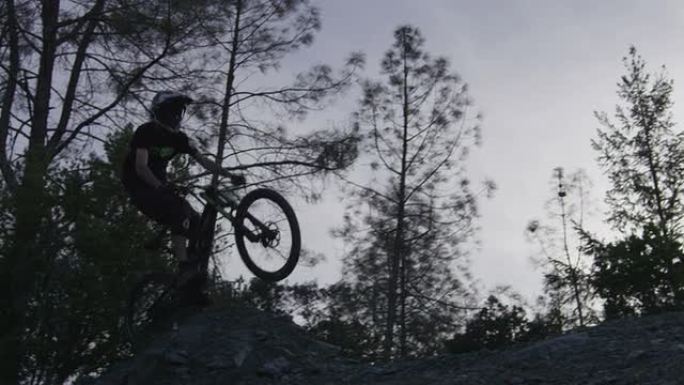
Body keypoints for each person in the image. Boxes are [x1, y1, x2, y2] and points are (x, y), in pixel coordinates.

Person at [121, 91, 244, 299]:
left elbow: (204, 161)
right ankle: (184, 266)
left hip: (160, 187)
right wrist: (160, 186)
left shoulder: (179, 139)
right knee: (178, 210)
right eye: (173, 111)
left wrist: (229, 175)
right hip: (140, 188)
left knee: (197, 223)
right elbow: (141, 168)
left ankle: (190, 283)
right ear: (160, 112)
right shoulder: (146, 131)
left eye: (179, 112)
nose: (176, 116)